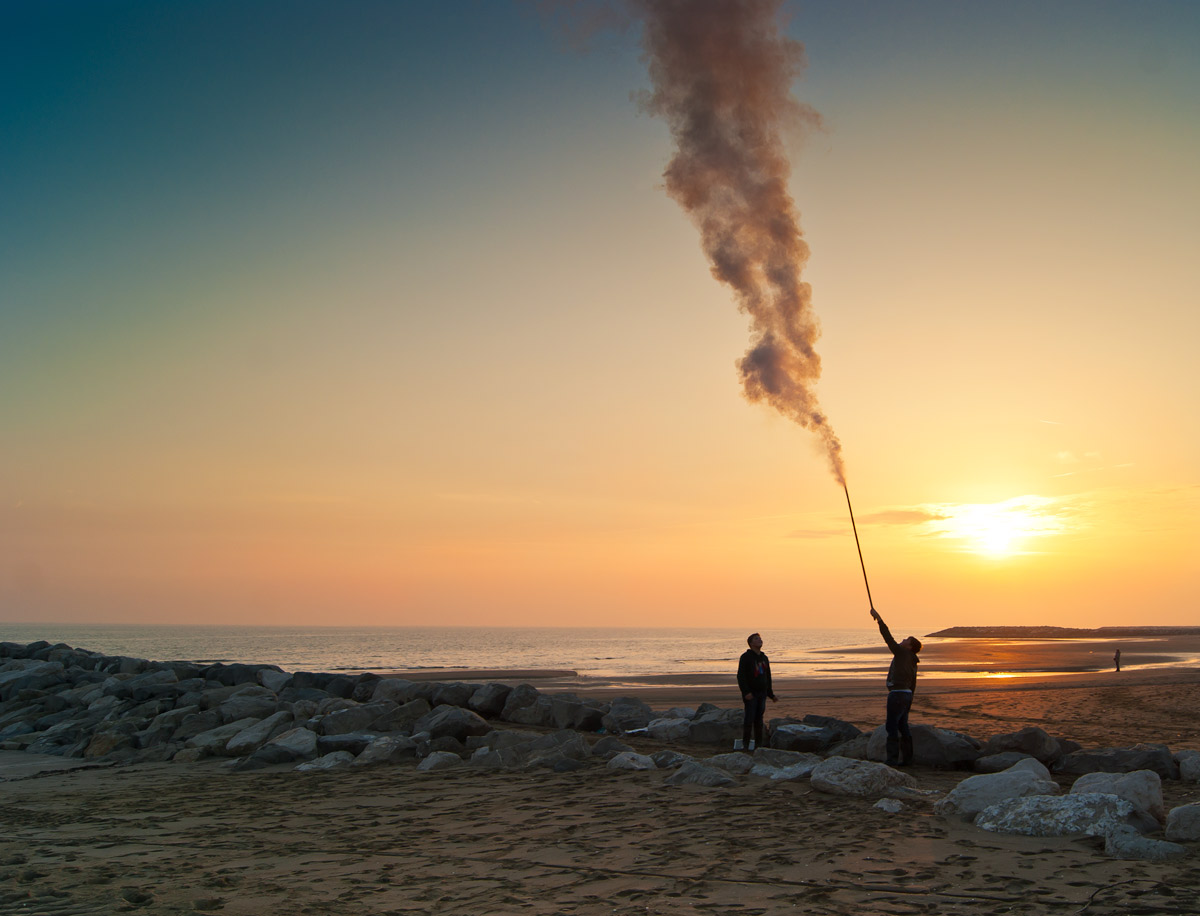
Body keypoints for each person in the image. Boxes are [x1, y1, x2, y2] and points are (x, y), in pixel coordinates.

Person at [870, 608, 921, 767]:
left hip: (897, 694)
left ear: (910, 646)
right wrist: (910, 699)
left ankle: (892, 760)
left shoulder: (902, 653)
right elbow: (913, 682)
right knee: (902, 726)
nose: (903, 639)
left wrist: (879, 619)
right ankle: (907, 759)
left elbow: (888, 638)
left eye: (907, 639)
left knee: (891, 726)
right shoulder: (912, 659)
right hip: (905, 695)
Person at [737, 633, 777, 752]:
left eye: (760, 638)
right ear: (751, 643)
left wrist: (771, 694)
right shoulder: (746, 657)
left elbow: (768, 677)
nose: (760, 640)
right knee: (749, 719)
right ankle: (745, 744)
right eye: (756, 639)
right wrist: (746, 692)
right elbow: (741, 676)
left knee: (759, 720)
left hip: (762, 693)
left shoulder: (764, 658)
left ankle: (758, 745)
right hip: (751, 694)